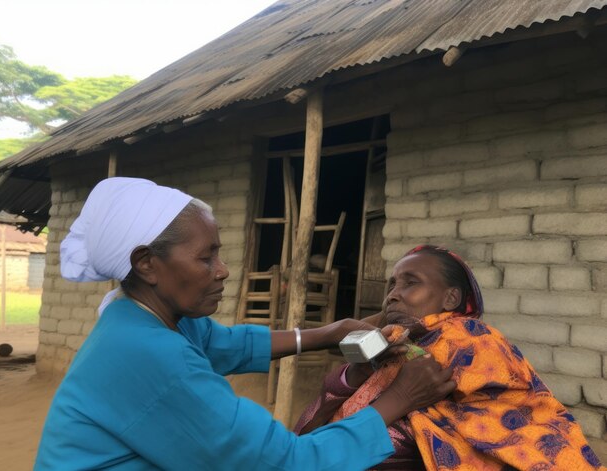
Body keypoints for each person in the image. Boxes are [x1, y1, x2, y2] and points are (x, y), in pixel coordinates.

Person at [34, 178, 456, 471]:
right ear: (147, 264)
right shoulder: (152, 356)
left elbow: (226, 344)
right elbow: (284, 462)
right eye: (206, 257)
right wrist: (400, 397)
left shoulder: (142, 317)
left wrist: (327, 333)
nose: (223, 271)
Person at [295, 245, 603, 470]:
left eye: (410, 282)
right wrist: (356, 373)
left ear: (450, 298)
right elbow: (306, 438)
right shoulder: (389, 351)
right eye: (392, 285)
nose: (392, 294)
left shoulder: (471, 341)